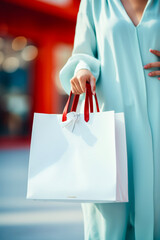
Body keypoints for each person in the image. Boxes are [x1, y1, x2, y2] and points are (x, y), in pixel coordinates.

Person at [59, 0, 160, 239]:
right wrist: (82, 69)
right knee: (108, 221)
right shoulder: (95, 3)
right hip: (110, 126)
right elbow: (82, 52)